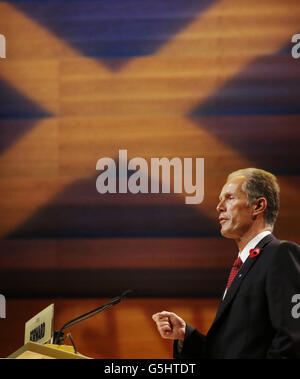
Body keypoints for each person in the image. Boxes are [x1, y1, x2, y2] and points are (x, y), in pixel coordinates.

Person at [152, 168, 300, 358]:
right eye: (221, 199)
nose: (219, 207)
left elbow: (293, 341)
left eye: (230, 198)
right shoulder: (244, 265)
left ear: (258, 206)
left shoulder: (280, 254)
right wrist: (186, 335)